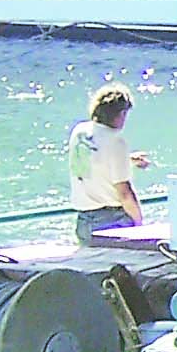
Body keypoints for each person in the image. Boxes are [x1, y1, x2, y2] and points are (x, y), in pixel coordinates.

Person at [66, 84, 147, 241]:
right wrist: (139, 223)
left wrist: (127, 160)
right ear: (121, 113)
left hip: (84, 221)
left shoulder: (79, 132)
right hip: (112, 221)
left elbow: (92, 160)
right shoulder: (116, 142)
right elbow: (124, 193)